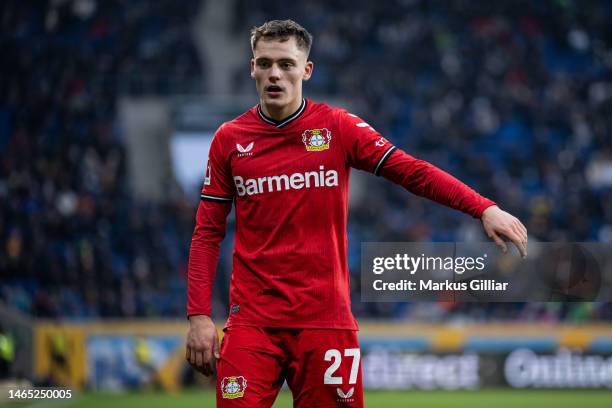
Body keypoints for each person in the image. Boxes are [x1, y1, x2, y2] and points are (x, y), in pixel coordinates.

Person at [185, 19, 528, 407]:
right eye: (264, 63)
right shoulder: (229, 139)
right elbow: (207, 232)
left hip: (325, 322)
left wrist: (483, 207)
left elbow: (411, 171)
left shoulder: (337, 127)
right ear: (252, 68)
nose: (274, 74)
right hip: (253, 324)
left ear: (306, 70)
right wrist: (198, 316)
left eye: (286, 63)